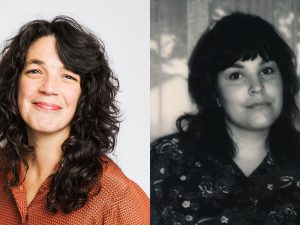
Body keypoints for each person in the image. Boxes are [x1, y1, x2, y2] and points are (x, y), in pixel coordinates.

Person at [151, 12, 300, 225]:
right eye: (236, 75)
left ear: (284, 82)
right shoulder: (166, 160)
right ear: (215, 94)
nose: (257, 87)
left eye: (267, 70)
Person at [0, 16, 149, 224]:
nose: (48, 87)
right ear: (14, 84)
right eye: (35, 71)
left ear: (85, 95)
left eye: (68, 76)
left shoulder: (118, 199)